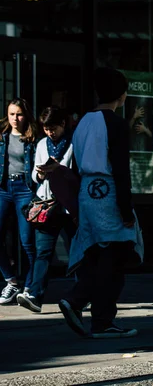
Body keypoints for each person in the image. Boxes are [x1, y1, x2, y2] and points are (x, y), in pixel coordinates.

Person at [59, 67, 143, 339]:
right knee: (115, 255)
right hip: (108, 192)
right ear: (121, 94)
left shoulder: (83, 121)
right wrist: (125, 207)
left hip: (87, 191)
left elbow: (73, 163)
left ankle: (87, 306)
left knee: (95, 253)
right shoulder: (115, 123)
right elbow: (120, 168)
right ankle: (91, 309)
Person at [16, 106, 76, 312]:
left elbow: (79, 175)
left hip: (68, 206)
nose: (50, 133)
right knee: (43, 252)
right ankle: (35, 295)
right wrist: (40, 174)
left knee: (78, 251)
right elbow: (33, 174)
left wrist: (60, 169)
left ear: (63, 125)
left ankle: (82, 294)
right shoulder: (42, 144)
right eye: (46, 129)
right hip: (47, 204)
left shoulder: (74, 144)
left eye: (53, 128)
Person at [0, 98, 38, 305]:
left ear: (26, 115)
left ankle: (32, 286)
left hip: (25, 190)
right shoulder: (2, 135)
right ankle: (11, 282)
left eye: (19, 114)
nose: (15, 118)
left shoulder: (33, 138)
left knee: (28, 242)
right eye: (12, 114)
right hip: (3, 189)